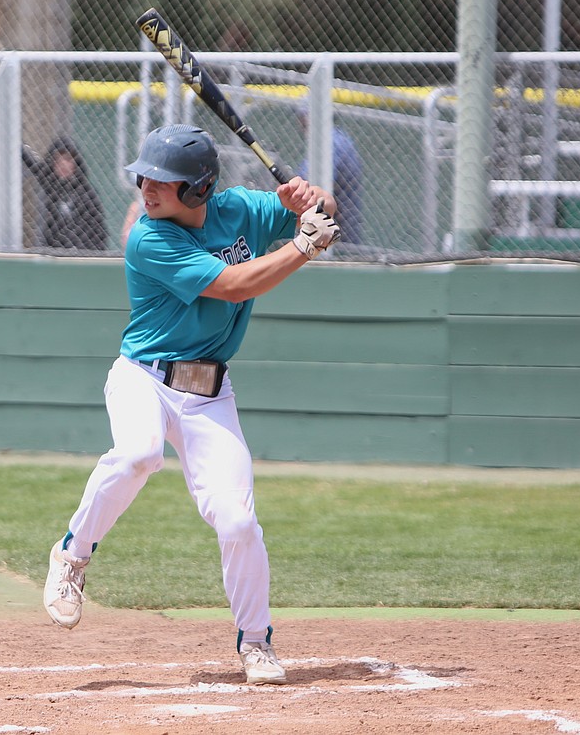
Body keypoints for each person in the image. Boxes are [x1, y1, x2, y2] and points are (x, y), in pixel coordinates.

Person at [42, 124, 339, 686]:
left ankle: (256, 642)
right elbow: (235, 285)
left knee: (238, 520)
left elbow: (327, 206)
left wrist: (310, 199)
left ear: (200, 189)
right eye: (144, 176)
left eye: (163, 181)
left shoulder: (243, 210)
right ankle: (71, 556)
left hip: (209, 394)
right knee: (138, 454)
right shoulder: (149, 238)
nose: (147, 188)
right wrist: (303, 244)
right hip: (143, 379)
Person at [22, 136, 108, 251]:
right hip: (52, 253)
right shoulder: (49, 183)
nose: (63, 164)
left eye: (68, 159)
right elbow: (32, 162)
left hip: (83, 253)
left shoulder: (86, 192)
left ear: (76, 163)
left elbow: (99, 232)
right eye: (58, 159)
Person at [297, 109, 364, 245]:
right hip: (336, 232)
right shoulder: (335, 138)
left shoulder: (331, 142)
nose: (301, 122)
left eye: (303, 117)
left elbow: (310, 183)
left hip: (338, 234)